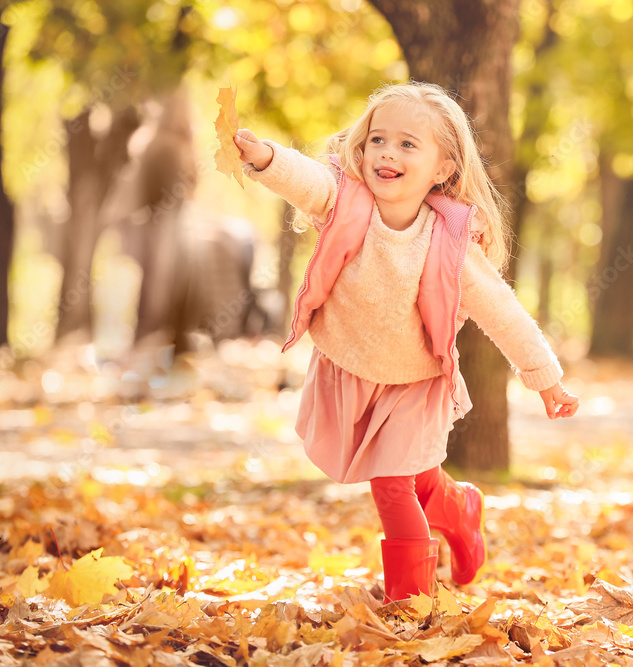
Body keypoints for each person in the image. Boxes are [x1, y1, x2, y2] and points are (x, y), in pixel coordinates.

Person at [233, 82, 579, 601]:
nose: (387, 153)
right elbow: (306, 180)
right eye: (378, 140)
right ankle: (457, 509)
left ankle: (409, 607)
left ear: (442, 169)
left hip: (415, 382)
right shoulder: (344, 201)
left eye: (408, 144)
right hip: (352, 365)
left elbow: (503, 313)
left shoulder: (449, 242)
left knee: (393, 487)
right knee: (416, 484)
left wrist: (545, 379)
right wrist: (264, 157)